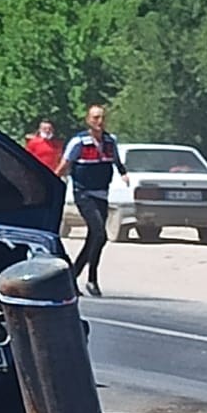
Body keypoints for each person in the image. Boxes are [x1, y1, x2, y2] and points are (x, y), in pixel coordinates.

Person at [55, 105, 128, 297]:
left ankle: (71, 277)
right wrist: (52, 184)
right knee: (100, 234)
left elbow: (117, 161)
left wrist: (124, 174)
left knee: (94, 239)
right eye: (95, 118)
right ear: (88, 120)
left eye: (102, 117)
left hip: (102, 194)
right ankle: (92, 279)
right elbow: (64, 165)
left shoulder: (110, 141)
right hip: (84, 194)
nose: (99, 122)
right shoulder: (79, 142)